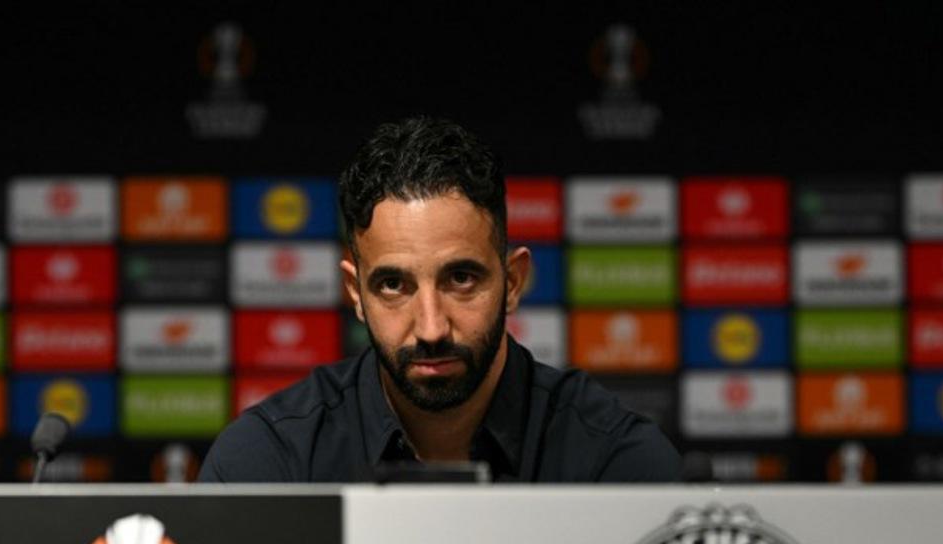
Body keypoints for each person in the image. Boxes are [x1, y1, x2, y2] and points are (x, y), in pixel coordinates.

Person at [198, 116, 680, 482]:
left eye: (461, 278)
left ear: (513, 281)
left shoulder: (617, 466)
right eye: (393, 286)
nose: (431, 328)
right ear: (355, 293)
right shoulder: (268, 464)